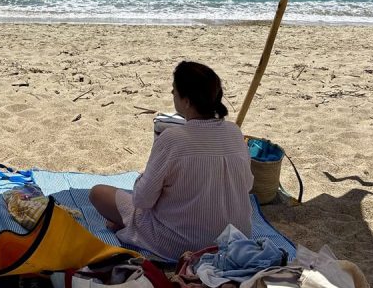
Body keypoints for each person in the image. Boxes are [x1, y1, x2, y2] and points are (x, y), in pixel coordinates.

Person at [90, 61, 253, 260]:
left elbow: (142, 199)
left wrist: (147, 174)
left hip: (181, 243)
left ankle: (129, 226)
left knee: (98, 193)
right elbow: (247, 185)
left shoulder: (172, 138)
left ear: (186, 101)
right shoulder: (234, 132)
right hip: (236, 240)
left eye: (174, 91)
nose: (172, 95)